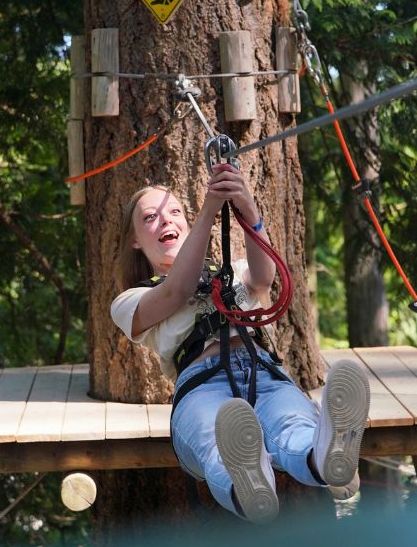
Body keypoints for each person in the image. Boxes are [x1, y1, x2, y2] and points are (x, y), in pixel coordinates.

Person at [110, 163, 370, 523]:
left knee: (293, 426)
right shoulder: (131, 301)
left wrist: (248, 209)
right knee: (216, 441)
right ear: (135, 240)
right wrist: (209, 210)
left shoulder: (230, 273)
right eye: (151, 217)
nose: (166, 221)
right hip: (202, 387)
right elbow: (178, 290)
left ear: (184, 223)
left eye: (174, 212)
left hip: (262, 373)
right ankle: (248, 486)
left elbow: (264, 276)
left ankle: (325, 458)